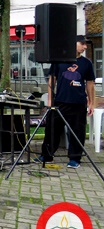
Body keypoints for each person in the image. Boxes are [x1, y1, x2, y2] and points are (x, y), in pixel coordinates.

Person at [37, 35, 96, 169]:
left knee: (77, 131)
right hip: (60, 102)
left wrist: (92, 103)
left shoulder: (86, 63)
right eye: (82, 44)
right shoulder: (59, 61)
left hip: (78, 103)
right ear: (73, 43)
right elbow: (52, 80)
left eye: (86, 44)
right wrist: (50, 100)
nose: (85, 47)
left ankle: (75, 158)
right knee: (52, 129)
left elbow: (90, 84)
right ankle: (47, 155)